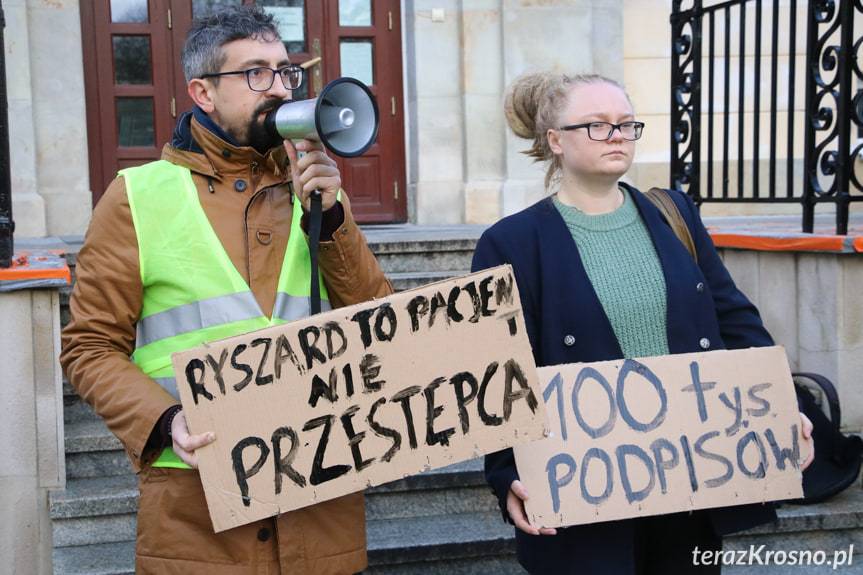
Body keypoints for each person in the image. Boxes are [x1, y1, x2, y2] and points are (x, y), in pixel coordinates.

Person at [60, 6, 391, 574]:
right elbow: (88, 347)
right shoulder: (137, 197)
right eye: (256, 72)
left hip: (317, 508)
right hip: (198, 516)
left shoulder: (315, 191)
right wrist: (165, 421)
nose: (279, 88)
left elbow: (383, 323)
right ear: (203, 92)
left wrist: (332, 220)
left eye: (285, 71)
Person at [471, 72, 814, 574]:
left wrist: (782, 404)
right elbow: (499, 374)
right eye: (597, 125)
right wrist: (506, 474)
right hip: (585, 489)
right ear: (556, 140)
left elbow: (735, 320)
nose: (617, 135)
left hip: (690, 478)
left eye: (627, 124)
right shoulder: (511, 242)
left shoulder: (674, 214)